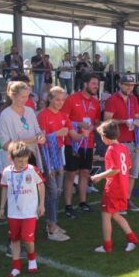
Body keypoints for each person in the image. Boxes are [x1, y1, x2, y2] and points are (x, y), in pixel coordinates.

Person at [37, 86, 84, 241]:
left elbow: (73, 135)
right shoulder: (43, 115)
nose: (60, 103)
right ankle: (51, 227)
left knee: (57, 190)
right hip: (46, 155)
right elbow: (41, 139)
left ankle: (52, 223)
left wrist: (84, 134)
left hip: (58, 153)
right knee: (52, 190)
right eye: (57, 99)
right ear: (50, 99)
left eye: (63, 100)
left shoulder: (64, 115)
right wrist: (56, 134)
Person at [90, 120, 139, 253]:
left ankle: (107, 246)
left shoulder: (111, 149)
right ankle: (133, 239)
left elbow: (115, 169)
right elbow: (128, 166)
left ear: (104, 137)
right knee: (116, 215)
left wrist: (99, 176)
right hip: (122, 186)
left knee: (105, 216)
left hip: (113, 188)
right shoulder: (123, 147)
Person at [0, 141, 45, 277]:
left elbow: (41, 185)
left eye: (25, 160)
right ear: (11, 158)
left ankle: (32, 259)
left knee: (27, 238)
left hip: (29, 211)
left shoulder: (32, 169)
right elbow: (4, 188)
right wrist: (2, 207)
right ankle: (16, 266)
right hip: (13, 212)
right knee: (14, 239)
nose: (23, 164)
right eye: (20, 161)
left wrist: (41, 204)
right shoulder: (7, 172)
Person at [61, 73, 101, 217]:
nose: (96, 86)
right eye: (93, 84)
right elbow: (63, 119)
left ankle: (83, 203)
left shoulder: (95, 102)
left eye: (97, 84)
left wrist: (93, 127)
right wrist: (78, 124)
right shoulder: (72, 99)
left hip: (88, 143)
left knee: (85, 173)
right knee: (71, 174)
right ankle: (68, 205)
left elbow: (97, 122)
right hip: (72, 143)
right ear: (85, 84)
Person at [104, 74, 139, 212]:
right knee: (119, 174)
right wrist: (124, 121)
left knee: (132, 174)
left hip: (133, 141)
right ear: (119, 84)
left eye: (131, 85)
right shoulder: (112, 99)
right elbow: (107, 120)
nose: (129, 87)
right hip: (119, 142)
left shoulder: (133, 99)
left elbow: (137, 117)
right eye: (126, 85)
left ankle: (126, 199)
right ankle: (118, 201)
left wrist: (137, 122)